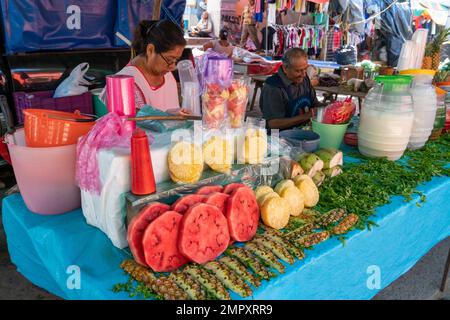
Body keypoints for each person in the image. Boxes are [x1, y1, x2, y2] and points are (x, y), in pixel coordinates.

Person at [102, 20, 188, 113]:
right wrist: (168, 118)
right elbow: (127, 123)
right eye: (169, 59)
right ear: (150, 50)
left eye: (176, 60)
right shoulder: (123, 84)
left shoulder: (167, 76)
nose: (172, 66)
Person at [260, 48, 323, 130]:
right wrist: (306, 116)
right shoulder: (273, 87)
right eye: (298, 71)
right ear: (285, 68)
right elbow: (272, 124)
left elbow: (315, 104)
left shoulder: (304, 78)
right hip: (280, 137)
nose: (303, 74)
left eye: (305, 69)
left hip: (302, 131)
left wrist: (331, 107)